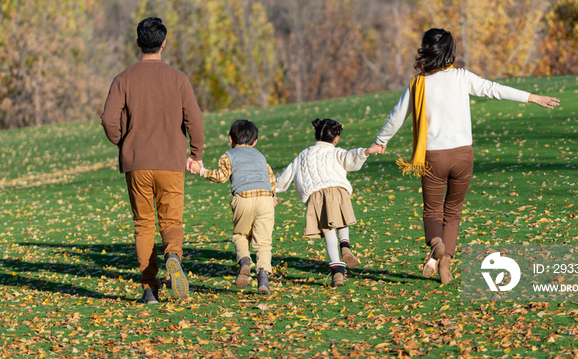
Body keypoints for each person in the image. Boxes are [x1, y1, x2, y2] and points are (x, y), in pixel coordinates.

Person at [373, 28, 559, 284]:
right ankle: (445, 261)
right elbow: (495, 89)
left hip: (433, 157)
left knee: (432, 211)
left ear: (426, 50)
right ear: (450, 52)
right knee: (453, 211)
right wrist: (532, 97)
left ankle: (436, 243)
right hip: (463, 156)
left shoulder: (418, 83)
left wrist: (380, 141)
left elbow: (396, 116)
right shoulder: (462, 77)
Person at [100, 17, 204, 304]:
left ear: (138, 43)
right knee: (171, 220)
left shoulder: (123, 79)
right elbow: (194, 120)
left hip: (137, 163)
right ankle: (173, 255)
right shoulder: (179, 79)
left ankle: (149, 288)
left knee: (143, 225)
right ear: (164, 43)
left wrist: (122, 142)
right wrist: (195, 154)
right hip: (171, 161)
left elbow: (108, 119)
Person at [276, 118, 383, 287]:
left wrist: (267, 189)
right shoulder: (336, 152)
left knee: (329, 235)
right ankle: (346, 246)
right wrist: (367, 151)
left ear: (316, 135)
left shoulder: (303, 155)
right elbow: (351, 159)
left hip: (316, 196)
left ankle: (338, 274)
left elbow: (284, 179)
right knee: (341, 220)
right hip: (338, 191)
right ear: (336, 139)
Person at [189, 120, 277, 295]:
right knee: (264, 242)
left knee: (240, 234)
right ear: (255, 141)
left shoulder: (228, 155)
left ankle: (244, 261)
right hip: (265, 198)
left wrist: (200, 170)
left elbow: (221, 176)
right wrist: (273, 195)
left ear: (231, 138)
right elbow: (270, 176)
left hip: (243, 197)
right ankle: (263, 278)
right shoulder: (260, 156)